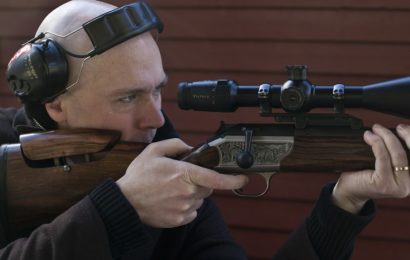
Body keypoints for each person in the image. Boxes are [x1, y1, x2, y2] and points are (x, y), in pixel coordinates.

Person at [0, 1, 409, 259]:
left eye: (157, 90)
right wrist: (122, 210)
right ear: (54, 103)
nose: (156, 119)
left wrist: (344, 203)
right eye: (127, 98)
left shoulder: (165, 160)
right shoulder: (11, 165)